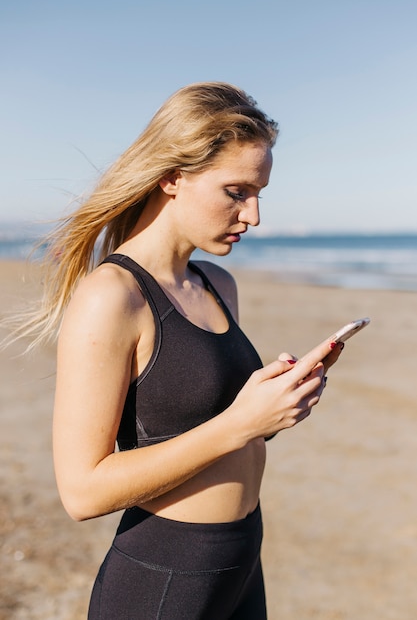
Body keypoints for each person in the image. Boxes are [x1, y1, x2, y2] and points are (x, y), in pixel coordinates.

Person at [12, 82, 343, 619]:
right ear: (172, 177)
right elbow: (82, 492)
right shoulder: (111, 298)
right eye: (237, 192)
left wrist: (274, 408)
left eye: (259, 193)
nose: (254, 215)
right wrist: (240, 422)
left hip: (241, 564)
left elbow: (208, 426)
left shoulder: (216, 283)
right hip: (166, 578)